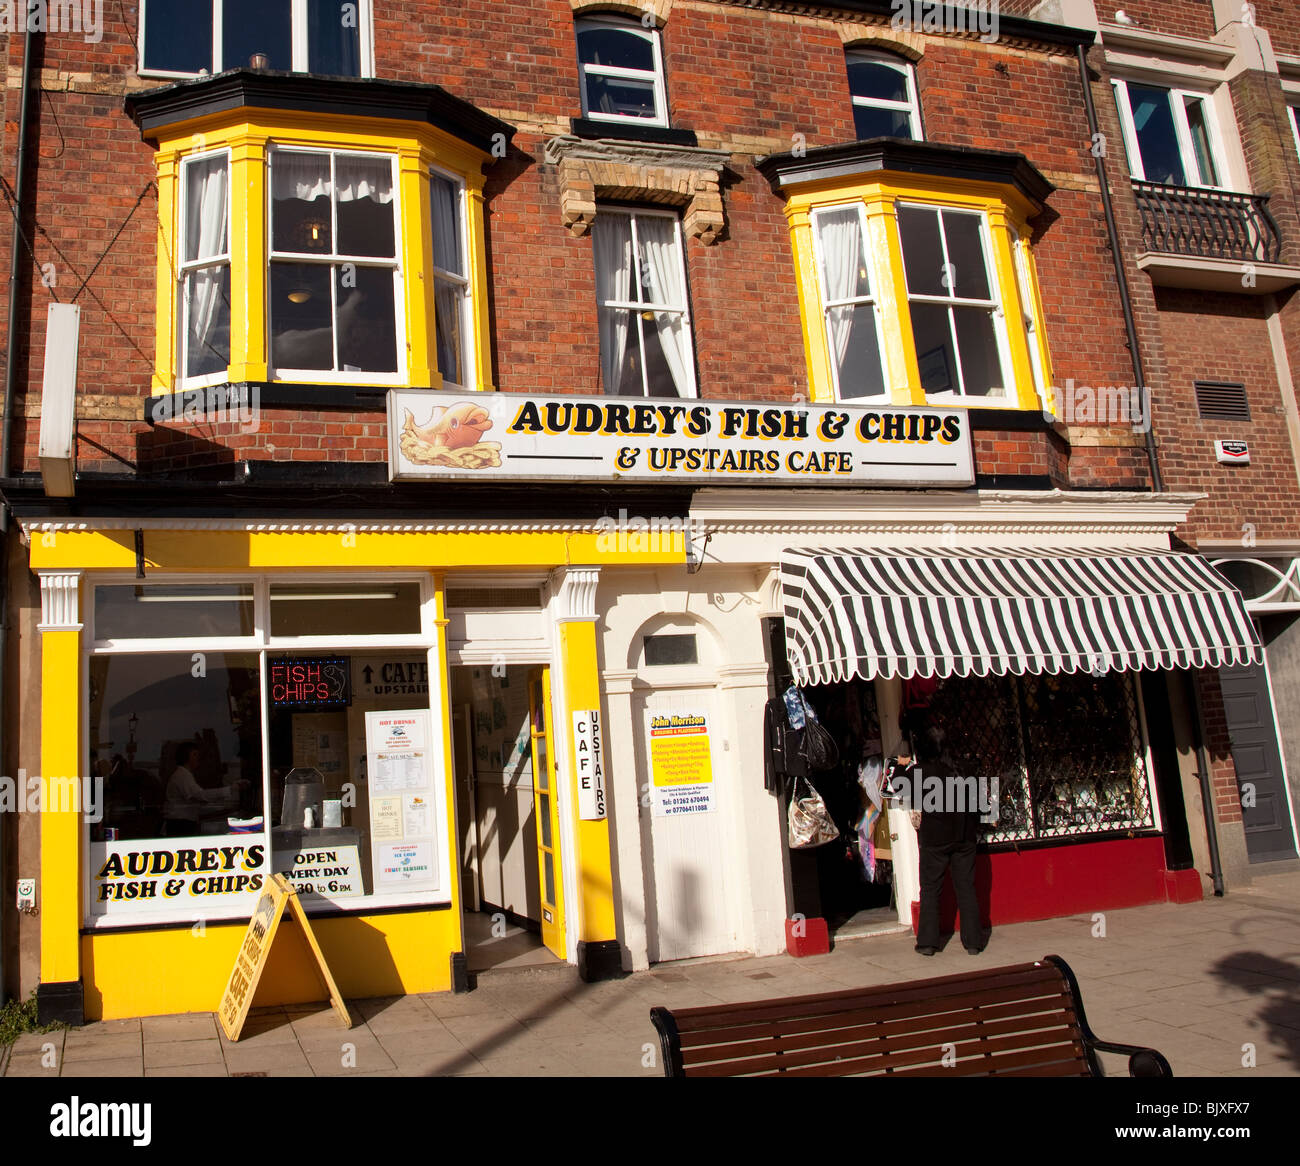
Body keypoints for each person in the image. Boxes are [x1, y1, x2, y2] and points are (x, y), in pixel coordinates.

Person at [897, 696, 986, 957]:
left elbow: (897, 788)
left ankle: (927, 942)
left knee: (931, 890)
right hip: (964, 838)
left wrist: (902, 763)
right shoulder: (966, 768)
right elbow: (982, 805)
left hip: (935, 840)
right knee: (966, 889)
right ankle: (973, 942)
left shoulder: (920, 772)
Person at [163, 743, 239, 836]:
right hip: (180, 825)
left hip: (182, 824)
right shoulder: (182, 775)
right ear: (185, 756)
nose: (198, 758)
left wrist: (221, 806)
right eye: (194, 754)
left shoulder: (185, 774)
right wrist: (229, 790)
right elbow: (200, 795)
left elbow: (198, 801)